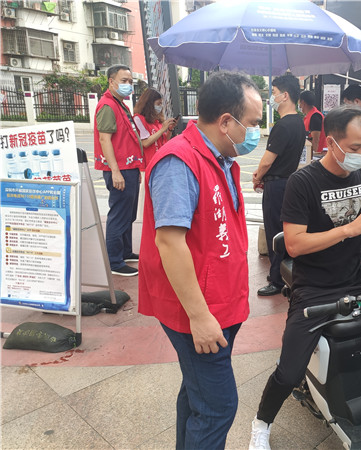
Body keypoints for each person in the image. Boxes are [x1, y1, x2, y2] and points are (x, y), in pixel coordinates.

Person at [249, 106, 361, 450]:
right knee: (289, 371)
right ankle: (261, 423)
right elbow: (294, 244)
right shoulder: (303, 182)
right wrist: (348, 229)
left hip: (357, 278)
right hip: (314, 286)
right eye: (354, 147)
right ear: (331, 142)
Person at [138, 72, 263, 450]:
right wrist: (200, 316)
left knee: (198, 397)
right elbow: (169, 242)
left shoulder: (219, 158)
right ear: (226, 122)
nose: (255, 133)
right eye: (253, 123)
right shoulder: (179, 162)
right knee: (217, 407)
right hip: (197, 311)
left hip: (219, 302)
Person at [253, 74, 305, 297]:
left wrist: (257, 177)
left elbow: (267, 161)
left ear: (285, 95)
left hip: (276, 186)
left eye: (273, 93)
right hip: (289, 182)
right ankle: (282, 272)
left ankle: (277, 280)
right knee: (285, 231)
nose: (271, 98)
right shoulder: (299, 123)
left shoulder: (283, 125)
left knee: (275, 231)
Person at [94, 64, 144, 277]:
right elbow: (104, 140)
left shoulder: (120, 104)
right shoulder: (107, 105)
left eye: (130, 81)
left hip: (129, 167)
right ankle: (114, 261)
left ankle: (125, 251)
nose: (128, 85)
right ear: (111, 81)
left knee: (128, 213)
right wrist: (115, 171)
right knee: (119, 214)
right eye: (124, 81)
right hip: (120, 169)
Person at [133, 87, 178, 166]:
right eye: (158, 104)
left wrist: (170, 129)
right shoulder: (138, 119)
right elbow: (145, 143)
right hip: (148, 163)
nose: (160, 106)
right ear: (149, 104)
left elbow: (164, 140)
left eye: (161, 104)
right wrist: (162, 129)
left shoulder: (156, 121)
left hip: (160, 160)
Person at [298, 90, 326, 157]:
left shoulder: (315, 116)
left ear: (303, 102)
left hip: (318, 154)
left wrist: (311, 156)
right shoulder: (309, 116)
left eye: (299, 103)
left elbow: (315, 140)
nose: (299, 106)